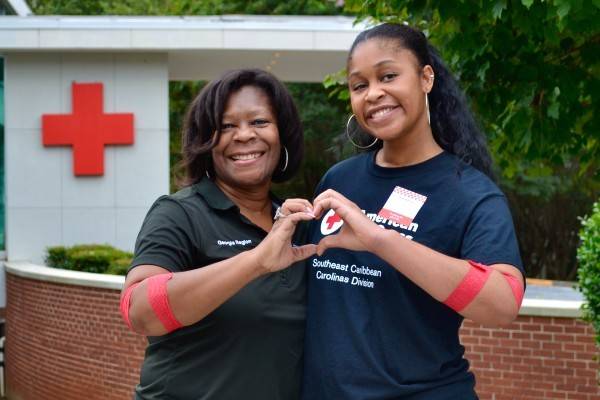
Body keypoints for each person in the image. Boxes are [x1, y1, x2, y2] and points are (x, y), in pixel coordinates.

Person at [289, 23, 525, 399]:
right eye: (359, 85)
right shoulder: (339, 181)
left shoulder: (471, 194)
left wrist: (380, 240)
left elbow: (502, 304)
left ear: (426, 78)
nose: (374, 94)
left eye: (388, 76)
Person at [119, 68, 316, 400]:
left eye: (259, 122)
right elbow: (138, 311)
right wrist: (256, 261)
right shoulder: (180, 213)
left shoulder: (297, 225)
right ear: (205, 142)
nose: (243, 135)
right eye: (226, 126)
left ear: (282, 135)